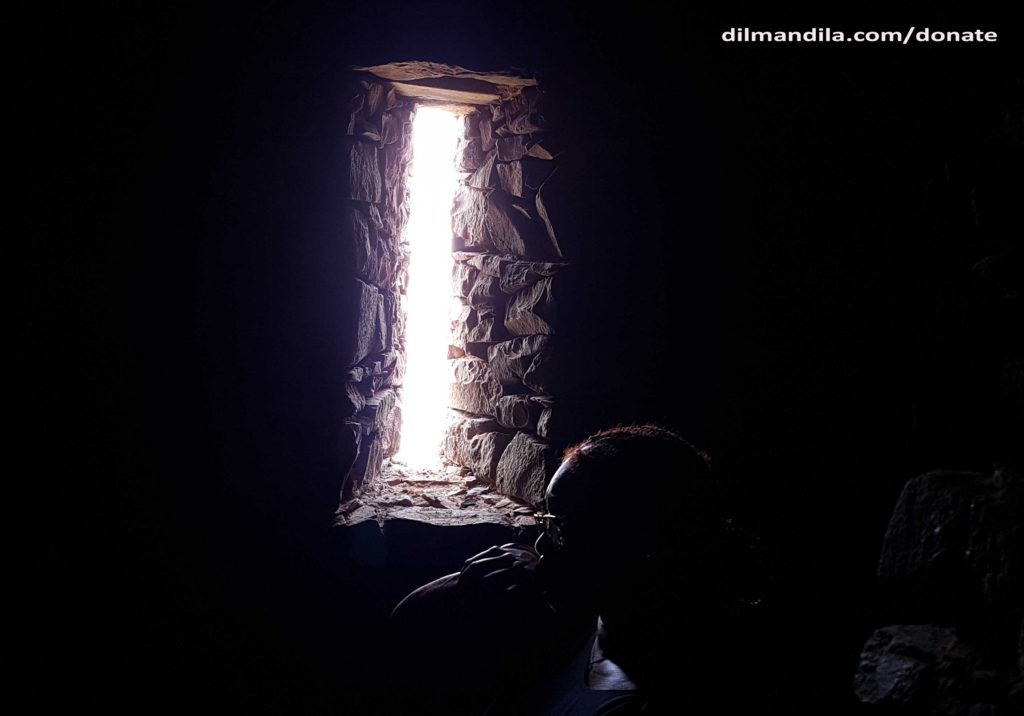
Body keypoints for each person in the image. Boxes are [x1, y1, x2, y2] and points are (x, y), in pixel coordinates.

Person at [389, 424, 748, 715]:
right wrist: (470, 583)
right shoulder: (591, 624)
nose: (543, 544)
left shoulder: (639, 698)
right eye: (546, 521)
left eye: (563, 528)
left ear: (641, 542)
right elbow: (403, 629)